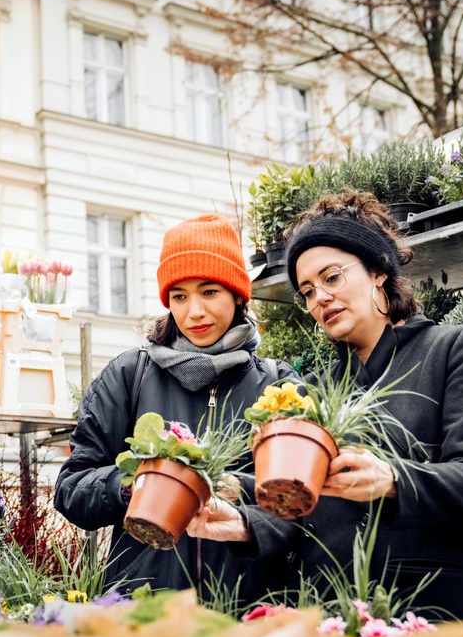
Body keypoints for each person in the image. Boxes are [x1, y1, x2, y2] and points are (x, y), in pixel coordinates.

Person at [187, 192, 463, 627]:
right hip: (329, 609)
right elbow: (306, 502)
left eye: (332, 277)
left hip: (426, 607)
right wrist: (243, 517)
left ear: (378, 271)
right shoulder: (311, 390)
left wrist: (392, 479)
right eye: (307, 290)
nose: (320, 297)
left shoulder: (456, 349)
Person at [53, 213, 299, 607]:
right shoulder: (128, 376)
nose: (194, 312)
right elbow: (71, 489)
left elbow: (301, 505)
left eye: (209, 292)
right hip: (146, 613)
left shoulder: (276, 386)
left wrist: (237, 490)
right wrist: (133, 484)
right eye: (179, 296)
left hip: (248, 613)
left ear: (238, 295)